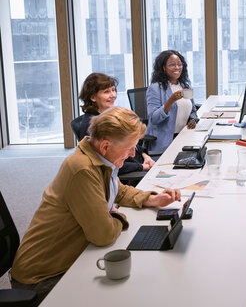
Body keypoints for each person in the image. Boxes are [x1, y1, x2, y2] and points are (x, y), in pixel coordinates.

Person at [10, 107, 182, 303]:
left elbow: (120, 191)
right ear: (106, 146)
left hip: (69, 258)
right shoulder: (82, 170)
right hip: (42, 277)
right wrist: (116, 215)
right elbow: (103, 234)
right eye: (129, 148)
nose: (133, 153)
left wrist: (151, 199)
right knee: (128, 294)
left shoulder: (99, 159)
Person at [78, 72, 155, 173]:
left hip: (139, 163)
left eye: (113, 90)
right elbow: (109, 163)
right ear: (93, 97)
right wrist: (141, 167)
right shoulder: (94, 126)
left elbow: (130, 143)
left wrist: (145, 156)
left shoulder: (109, 116)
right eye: (106, 92)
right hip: (129, 173)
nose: (113, 95)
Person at [146, 50, 199, 154]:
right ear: (163, 68)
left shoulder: (185, 86)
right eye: (172, 65)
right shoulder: (155, 88)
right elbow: (154, 119)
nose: (177, 68)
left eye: (179, 64)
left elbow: (192, 111)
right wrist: (171, 100)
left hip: (184, 137)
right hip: (165, 143)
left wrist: (192, 120)